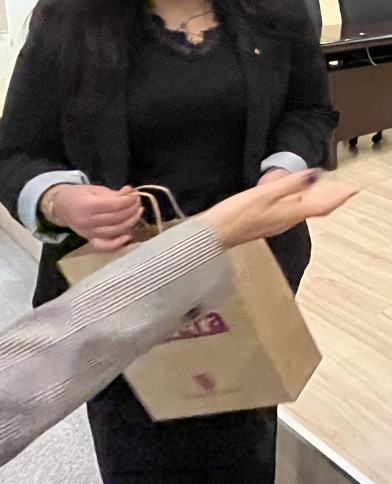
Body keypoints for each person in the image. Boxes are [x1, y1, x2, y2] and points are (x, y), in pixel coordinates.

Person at [0, 0, 339, 484]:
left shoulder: (275, 8)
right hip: (115, 284)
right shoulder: (67, 23)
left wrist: (280, 173)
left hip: (245, 272)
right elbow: (16, 151)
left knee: (241, 436)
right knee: (139, 448)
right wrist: (59, 199)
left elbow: (310, 112)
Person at [1, 170, 358, 467]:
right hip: (119, 297)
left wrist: (217, 230)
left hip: (238, 278)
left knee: (242, 435)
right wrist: (53, 197)